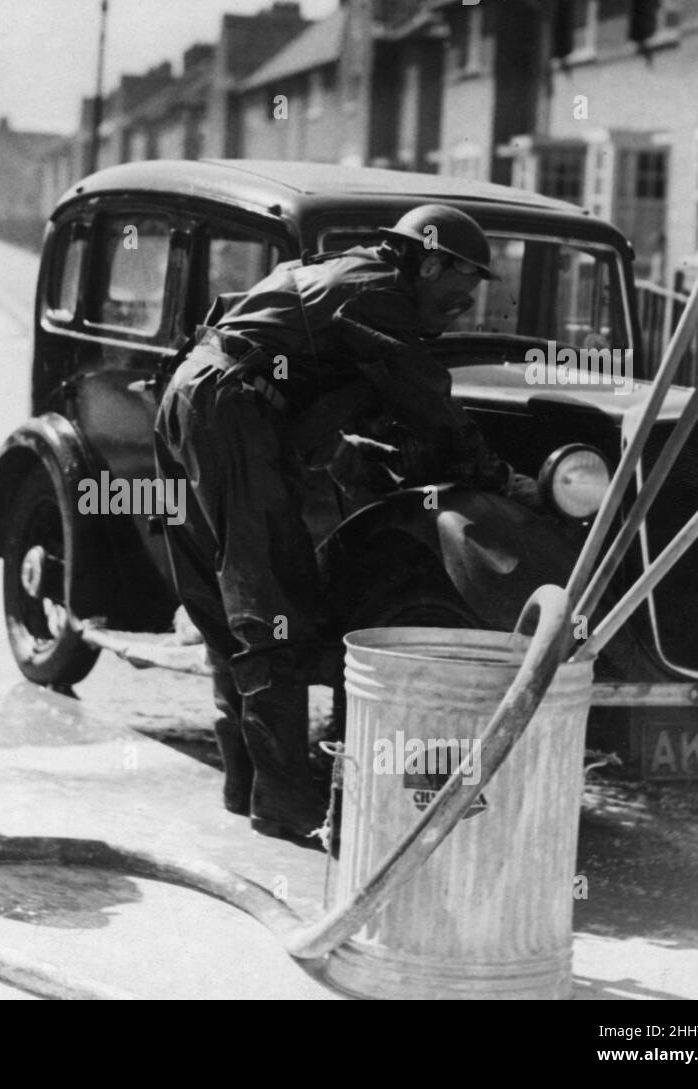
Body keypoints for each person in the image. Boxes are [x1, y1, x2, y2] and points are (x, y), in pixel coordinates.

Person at [153, 204, 537, 850]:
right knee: (272, 596)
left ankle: (246, 780)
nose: (463, 308)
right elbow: (424, 401)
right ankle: (283, 802)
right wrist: (500, 477)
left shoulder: (350, 278)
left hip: (197, 396)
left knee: (229, 597)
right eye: (459, 289)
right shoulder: (377, 293)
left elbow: (334, 388)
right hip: (232, 408)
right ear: (432, 259)